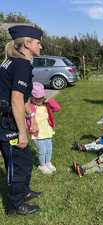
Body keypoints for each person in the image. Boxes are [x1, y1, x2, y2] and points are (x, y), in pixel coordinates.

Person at [0, 25, 43, 215]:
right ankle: (14, 205)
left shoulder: (11, 61)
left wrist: (31, 117)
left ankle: (23, 192)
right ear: (27, 43)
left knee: (24, 161)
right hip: (7, 124)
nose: (41, 46)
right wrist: (22, 133)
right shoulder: (22, 65)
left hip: (9, 119)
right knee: (18, 165)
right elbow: (16, 99)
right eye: (38, 42)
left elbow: (22, 98)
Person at [27, 82, 61, 174]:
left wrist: (49, 100)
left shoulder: (45, 105)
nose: (39, 101)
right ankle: (42, 165)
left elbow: (57, 108)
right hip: (37, 132)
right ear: (32, 97)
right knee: (42, 150)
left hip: (47, 131)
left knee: (49, 149)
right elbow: (26, 118)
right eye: (37, 99)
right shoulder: (29, 106)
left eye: (41, 98)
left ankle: (47, 162)